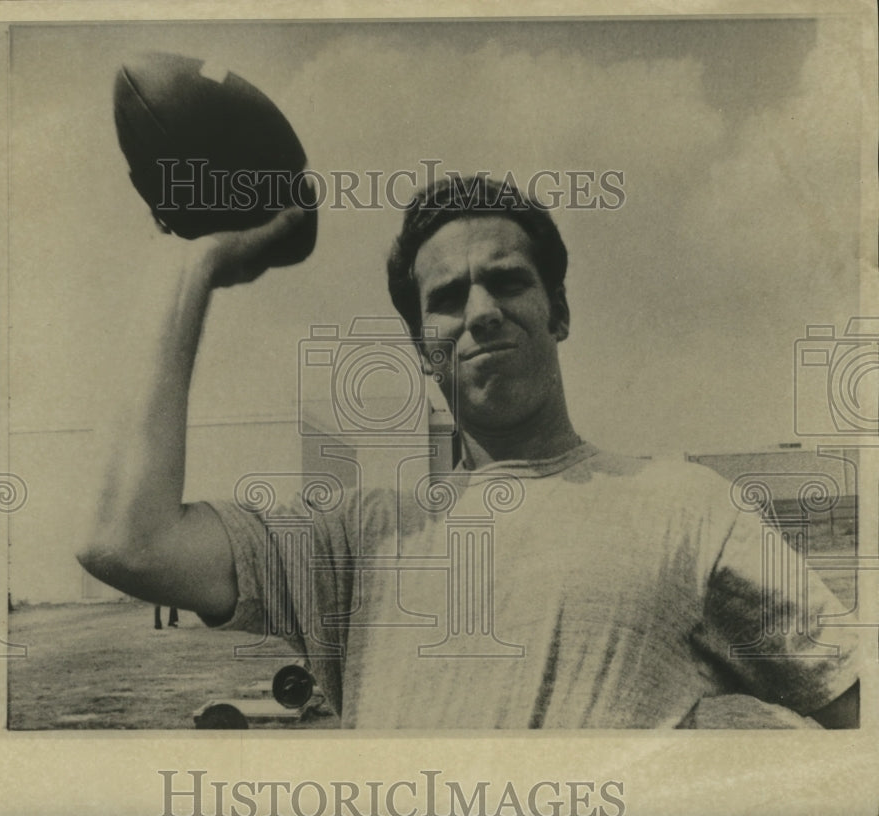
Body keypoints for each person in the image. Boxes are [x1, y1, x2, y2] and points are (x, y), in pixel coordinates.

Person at [78, 176, 859, 729]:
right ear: (422, 347)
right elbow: (127, 541)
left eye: (509, 282)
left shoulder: (686, 504)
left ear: (558, 313)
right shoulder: (358, 540)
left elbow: (855, 708)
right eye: (447, 299)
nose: (481, 311)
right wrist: (195, 266)